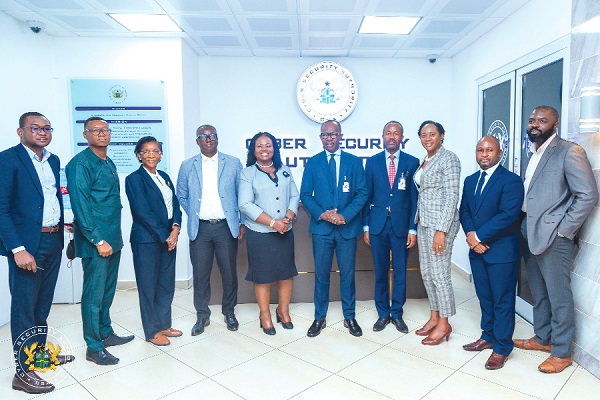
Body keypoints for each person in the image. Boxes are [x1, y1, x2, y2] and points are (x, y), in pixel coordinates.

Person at [514, 106, 598, 373]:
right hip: (528, 230)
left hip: (554, 237)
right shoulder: (535, 153)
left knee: (558, 295)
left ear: (555, 124)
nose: (535, 124)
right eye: (532, 120)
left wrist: (564, 230)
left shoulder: (569, 151)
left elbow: (587, 194)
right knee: (538, 291)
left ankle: (562, 352)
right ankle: (543, 338)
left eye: (542, 120)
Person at [0, 112, 73, 394]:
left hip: (52, 241)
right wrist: (17, 249)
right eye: (35, 128)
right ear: (20, 131)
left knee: (41, 307)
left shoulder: (52, 160)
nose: (42, 132)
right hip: (26, 245)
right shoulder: (8, 160)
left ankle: (38, 356)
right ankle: (23, 373)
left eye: (47, 128)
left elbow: (53, 197)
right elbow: (1, 208)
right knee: (24, 310)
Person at [66, 117, 134, 366]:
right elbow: (81, 205)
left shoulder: (108, 161)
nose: (102, 134)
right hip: (96, 242)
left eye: (105, 130)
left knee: (107, 291)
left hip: (112, 239)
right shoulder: (80, 164)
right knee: (93, 295)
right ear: (85, 135)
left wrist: (110, 240)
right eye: (95, 131)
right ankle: (94, 347)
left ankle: (105, 333)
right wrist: (97, 239)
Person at [459, 136, 524, 370]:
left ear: (499, 153)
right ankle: (487, 336)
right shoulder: (470, 180)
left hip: (501, 252)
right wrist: (470, 236)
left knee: (502, 301)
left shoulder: (512, 181)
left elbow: (508, 215)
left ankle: (502, 347)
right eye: (480, 150)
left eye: (489, 150)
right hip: (477, 251)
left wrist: (478, 236)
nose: (484, 154)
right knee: (485, 297)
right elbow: (464, 210)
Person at [300, 119, 368, 337]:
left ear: (341, 136)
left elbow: (362, 193)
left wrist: (344, 216)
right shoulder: (313, 163)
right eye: (325, 135)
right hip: (321, 230)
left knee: (347, 275)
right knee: (321, 275)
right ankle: (319, 317)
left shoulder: (354, 162)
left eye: (333, 134)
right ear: (320, 138)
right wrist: (323, 214)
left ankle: (350, 316)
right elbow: (305, 195)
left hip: (347, 229)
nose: (329, 138)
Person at [177, 124, 245, 336]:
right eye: (203, 136)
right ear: (197, 141)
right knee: (200, 274)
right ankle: (202, 315)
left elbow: (241, 194)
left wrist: (240, 221)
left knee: (229, 273)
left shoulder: (233, 163)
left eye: (213, 135)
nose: (209, 139)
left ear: (218, 139)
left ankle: (229, 312)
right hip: (201, 228)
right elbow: (182, 194)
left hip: (225, 227)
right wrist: (195, 213)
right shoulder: (188, 165)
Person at [239, 132, 299, 335]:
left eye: (268, 145)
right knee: (263, 277)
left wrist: (287, 219)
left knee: (285, 274)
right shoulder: (248, 173)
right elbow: (245, 204)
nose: (264, 149)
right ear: (253, 150)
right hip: (260, 233)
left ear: (275, 148)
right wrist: (273, 223)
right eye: (259, 146)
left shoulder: (284, 170)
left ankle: (283, 311)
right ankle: (264, 314)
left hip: (285, 231)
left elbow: (294, 195)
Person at [125, 136, 183, 346]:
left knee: (166, 284)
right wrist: (165, 236)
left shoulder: (164, 176)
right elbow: (143, 212)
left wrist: (175, 228)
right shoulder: (134, 179)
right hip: (146, 241)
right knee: (148, 286)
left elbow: (175, 205)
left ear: (161, 154)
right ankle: (152, 331)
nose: (151, 155)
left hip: (169, 236)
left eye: (155, 151)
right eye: (146, 151)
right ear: (139, 155)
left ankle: (164, 324)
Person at [363, 121, 419, 333]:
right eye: (389, 133)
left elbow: (415, 199)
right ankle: (382, 314)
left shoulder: (412, 162)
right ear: (383, 136)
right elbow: (367, 195)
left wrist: (412, 228)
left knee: (401, 272)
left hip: (401, 227)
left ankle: (397, 313)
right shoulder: (373, 162)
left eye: (396, 133)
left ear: (402, 137)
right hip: (377, 226)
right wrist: (366, 226)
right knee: (381, 271)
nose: (392, 136)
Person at [413, 120, 461, 345]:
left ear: (442, 135)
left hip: (441, 225)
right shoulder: (426, 160)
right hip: (424, 222)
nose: (428, 138)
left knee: (440, 275)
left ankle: (444, 323)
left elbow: (452, 196)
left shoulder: (449, 159)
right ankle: (434, 316)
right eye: (423, 135)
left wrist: (441, 230)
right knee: (426, 272)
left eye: (432, 134)